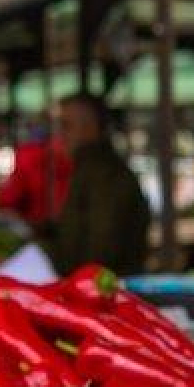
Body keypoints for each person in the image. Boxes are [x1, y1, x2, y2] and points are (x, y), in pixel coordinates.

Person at [43, 93, 150, 274]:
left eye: (66, 126)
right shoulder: (88, 170)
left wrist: (47, 253)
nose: (60, 135)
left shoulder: (106, 175)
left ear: (90, 128)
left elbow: (101, 253)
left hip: (108, 290)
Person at [0, 121, 72, 229]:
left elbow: (9, 199)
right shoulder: (71, 153)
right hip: (71, 228)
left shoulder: (27, 155)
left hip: (38, 228)